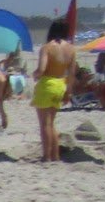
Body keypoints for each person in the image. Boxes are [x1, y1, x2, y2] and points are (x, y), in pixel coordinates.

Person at [33, 17, 77, 162]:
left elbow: (42, 69)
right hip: (61, 84)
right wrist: (68, 92)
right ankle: (55, 155)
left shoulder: (47, 47)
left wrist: (35, 74)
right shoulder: (71, 49)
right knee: (51, 123)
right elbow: (71, 74)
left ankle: (47, 156)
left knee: (45, 123)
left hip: (47, 84)